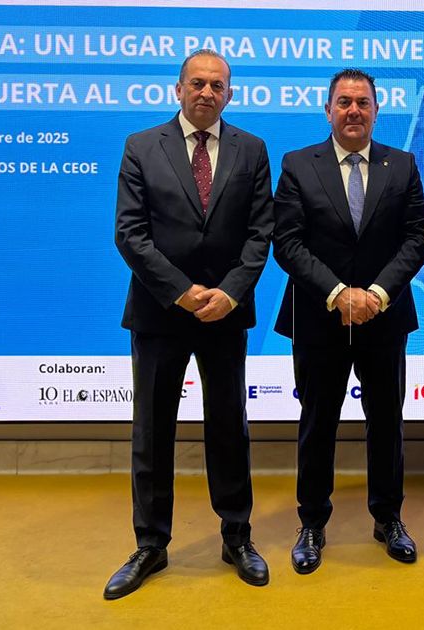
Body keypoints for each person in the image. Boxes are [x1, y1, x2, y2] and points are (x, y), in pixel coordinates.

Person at [106, 49, 273, 599]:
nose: (206, 92)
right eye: (197, 83)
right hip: (160, 312)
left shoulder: (252, 149)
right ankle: (150, 544)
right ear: (177, 89)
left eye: (217, 85)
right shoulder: (140, 146)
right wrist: (181, 291)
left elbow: (261, 233)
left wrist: (230, 292)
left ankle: (237, 536)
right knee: (153, 430)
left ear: (230, 94)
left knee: (229, 426)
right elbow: (130, 233)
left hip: (226, 311)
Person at [272, 68, 424, 574]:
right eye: (344, 102)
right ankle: (312, 523)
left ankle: (388, 519)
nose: (354, 111)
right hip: (319, 318)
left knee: (386, 422)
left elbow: (416, 239)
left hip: (384, 318)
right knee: (317, 423)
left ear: (377, 111)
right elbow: (287, 242)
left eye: (363, 102)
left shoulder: (401, 164)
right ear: (328, 110)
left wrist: (376, 294)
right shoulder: (299, 164)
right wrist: (339, 293)